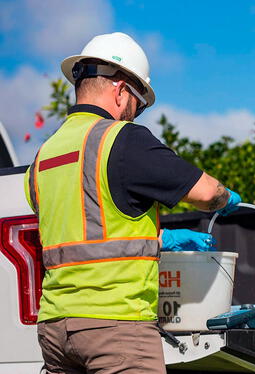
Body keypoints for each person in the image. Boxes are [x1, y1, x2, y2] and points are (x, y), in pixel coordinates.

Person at [24, 32, 242, 373]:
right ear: (121, 90)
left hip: (54, 329)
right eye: (139, 104)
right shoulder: (121, 139)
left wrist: (163, 240)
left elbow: (85, 235)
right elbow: (205, 192)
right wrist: (225, 198)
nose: (135, 114)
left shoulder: (43, 158)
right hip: (115, 327)